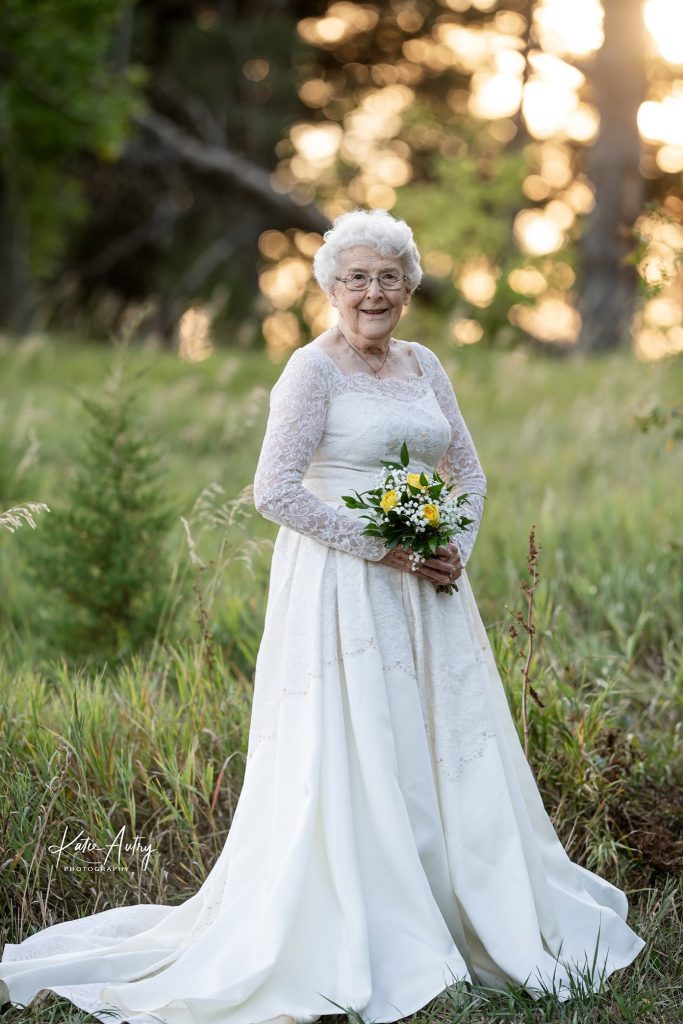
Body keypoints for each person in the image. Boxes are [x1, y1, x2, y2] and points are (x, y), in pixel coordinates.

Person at [0, 208, 645, 1023]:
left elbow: (467, 473)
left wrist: (453, 547)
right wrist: (382, 550)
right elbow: (274, 490)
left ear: (408, 288)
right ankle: (368, 922)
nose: (372, 292)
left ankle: (464, 902)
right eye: (356, 278)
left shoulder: (424, 364)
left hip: (429, 585)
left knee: (438, 738)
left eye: (388, 277)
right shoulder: (311, 371)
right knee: (357, 740)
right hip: (342, 586)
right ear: (331, 288)